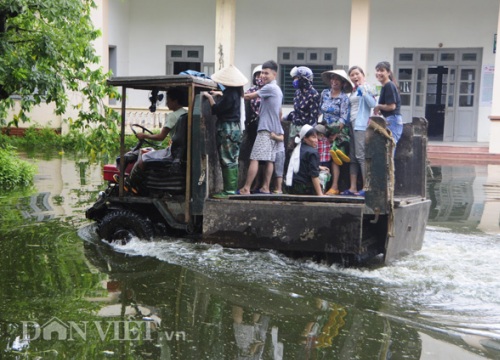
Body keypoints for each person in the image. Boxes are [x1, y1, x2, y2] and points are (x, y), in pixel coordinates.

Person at [120, 87, 187, 193]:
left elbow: (161, 137)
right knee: (149, 152)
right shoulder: (185, 113)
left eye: (168, 100)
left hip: (172, 152)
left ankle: (131, 184)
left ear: (175, 100)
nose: (167, 103)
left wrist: (144, 136)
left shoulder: (172, 116)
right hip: (179, 151)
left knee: (143, 157)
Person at [237, 60, 283, 195]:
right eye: (261, 73)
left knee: (255, 158)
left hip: (265, 128)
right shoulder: (278, 89)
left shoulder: (269, 88)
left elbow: (248, 96)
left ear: (274, 74)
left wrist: (228, 92)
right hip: (275, 129)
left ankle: (246, 188)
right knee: (269, 160)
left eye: (266, 73)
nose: (262, 75)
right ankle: (265, 187)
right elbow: (280, 113)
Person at [203, 64, 248, 198]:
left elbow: (217, 109)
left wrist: (210, 97)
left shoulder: (229, 94)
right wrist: (219, 94)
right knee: (233, 158)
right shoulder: (236, 93)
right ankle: (231, 189)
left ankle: (228, 191)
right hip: (235, 127)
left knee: (227, 159)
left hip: (226, 127)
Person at [342, 66, 377, 197]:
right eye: (352, 75)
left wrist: (363, 89)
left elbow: (372, 104)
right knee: (353, 157)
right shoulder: (353, 90)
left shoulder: (368, 87)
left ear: (363, 74)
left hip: (361, 124)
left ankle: (366, 187)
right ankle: (352, 187)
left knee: (361, 156)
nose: (355, 77)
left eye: (357, 74)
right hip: (351, 124)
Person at [319, 69, 353, 195]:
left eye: (337, 79)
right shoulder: (324, 93)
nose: (334, 81)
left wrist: (335, 133)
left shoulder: (344, 98)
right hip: (323, 129)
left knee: (335, 157)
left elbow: (344, 117)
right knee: (322, 156)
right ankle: (320, 186)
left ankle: (334, 186)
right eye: (333, 78)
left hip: (338, 130)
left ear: (343, 83)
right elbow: (320, 110)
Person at [283, 66, 320, 150]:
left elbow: (313, 117)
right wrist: (286, 117)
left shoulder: (313, 94)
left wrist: (308, 134)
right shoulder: (297, 92)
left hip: (305, 130)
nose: (294, 81)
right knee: (291, 152)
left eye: (296, 78)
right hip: (294, 128)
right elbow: (297, 111)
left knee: (304, 153)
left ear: (303, 79)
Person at [285, 125, 329, 196]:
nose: (316, 140)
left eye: (316, 137)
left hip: (290, 186)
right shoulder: (312, 152)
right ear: (305, 138)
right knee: (324, 175)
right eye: (313, 137)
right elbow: (314, 175)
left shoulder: (294, 149)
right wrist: (320, 195)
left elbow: (301, 163)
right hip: (304, 188)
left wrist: (319, 167)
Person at [373, 61, 403, 145]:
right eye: (377, 70)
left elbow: (392, 106)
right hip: (391, 118)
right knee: (388, 147)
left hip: (393, 119)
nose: (379, 73)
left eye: (382, 70)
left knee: (390, 146)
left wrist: (379, 107)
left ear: (388, 72)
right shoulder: (385, 86)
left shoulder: (389, 85)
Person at [315, 124, 332, 192]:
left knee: (326, 175)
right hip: (318, 160)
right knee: (318, 175)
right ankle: (319, 188)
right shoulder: (315, 141)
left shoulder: (327, 140)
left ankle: (325, 188)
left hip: (326, 160)